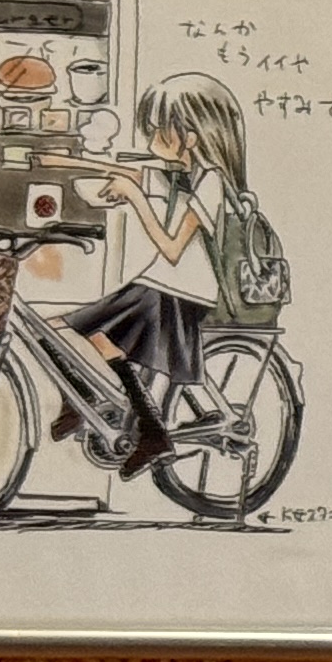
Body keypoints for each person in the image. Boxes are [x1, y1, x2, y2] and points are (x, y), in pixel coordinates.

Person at [55, 73, 257, 474]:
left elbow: (172, 248)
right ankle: (80, 403)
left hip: (181, 290)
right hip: (163, 284)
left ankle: (151, 432)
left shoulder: (212, 182)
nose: (151, 137)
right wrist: (68, 164)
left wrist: (135, 198)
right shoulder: (185, 174)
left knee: (76, 330)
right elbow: (130, 172)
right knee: (68, 331)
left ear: (190, 136)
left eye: (159, 128)